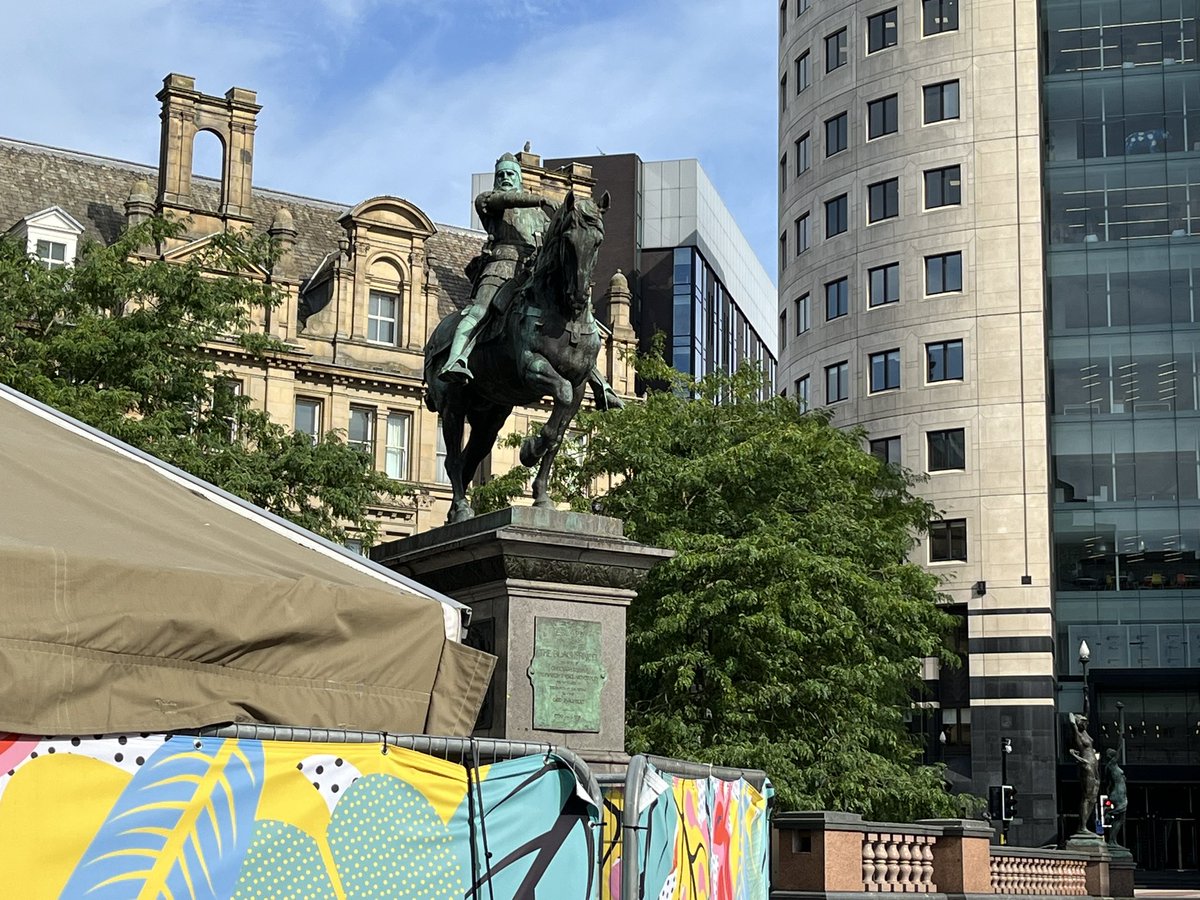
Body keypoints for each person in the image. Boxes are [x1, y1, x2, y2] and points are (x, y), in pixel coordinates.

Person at [439, 152, 558, 384]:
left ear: (520, 178)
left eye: (511, 174)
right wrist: (540, 199)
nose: (505, 177)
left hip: (531, 272)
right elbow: (504, 200)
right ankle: (454, 360)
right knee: (479, 311)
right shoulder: (488, 201)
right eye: (501, 174)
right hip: (500, 268)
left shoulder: (539, 216)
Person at [1068, 713, 1100, 835]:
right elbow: (1071, 718)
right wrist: (1074, 720)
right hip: (1086, 765)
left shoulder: (1085, 732)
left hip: (1094, 765)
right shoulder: (1077, 733)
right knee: (1087, 797)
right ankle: (1082, 827)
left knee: (1093, 798)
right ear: (1078, 722)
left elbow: (1087, 710)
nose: (1086, 723)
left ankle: (1084, 825)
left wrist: (1086, 696)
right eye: (1083, 721)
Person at [1104, 747, 1129, 848]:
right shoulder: (1112, 764)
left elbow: (1108, 784)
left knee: (1120, 819)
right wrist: (1121, 734)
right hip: (1118, 794)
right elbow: (1119, 750)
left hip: (1117, 793)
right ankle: (1112, 841)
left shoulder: (1111, 766)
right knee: (1120, 818)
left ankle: (1113, 840)